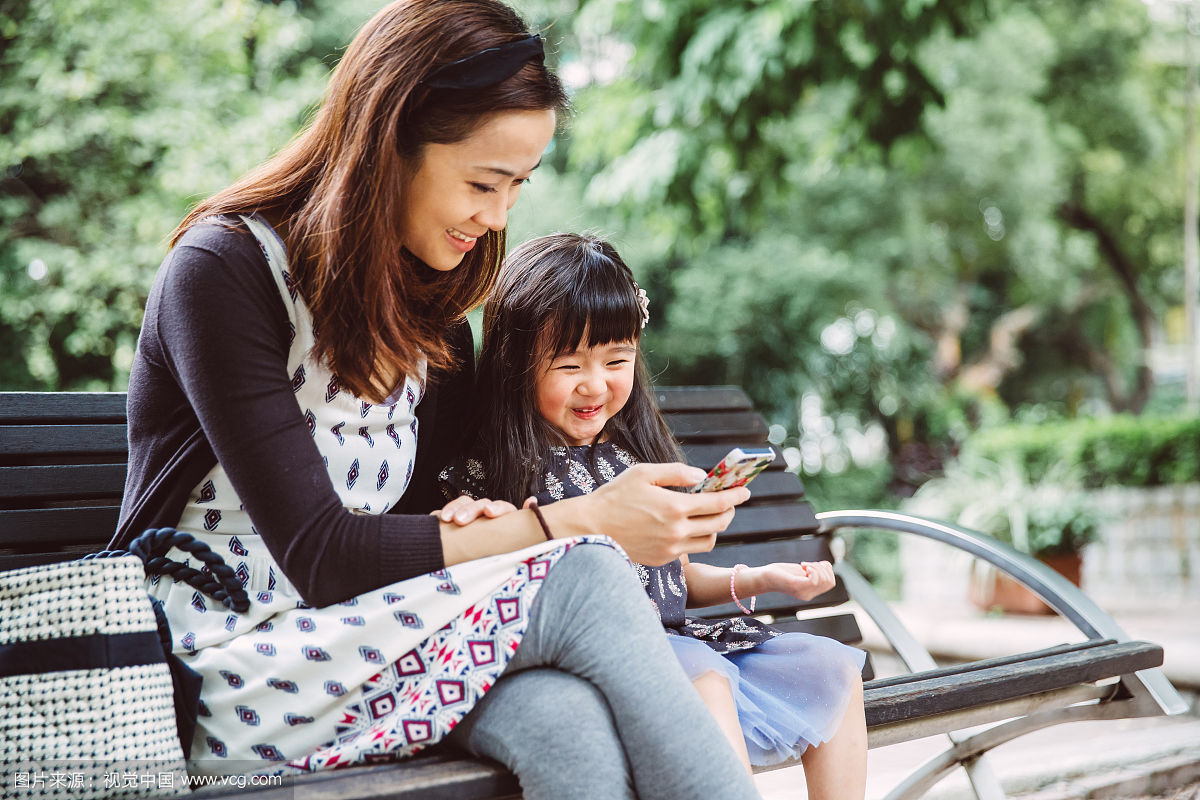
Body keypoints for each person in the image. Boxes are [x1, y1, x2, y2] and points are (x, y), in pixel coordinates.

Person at [112, 2, 764, 798]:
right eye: (484, 182)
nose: (497, 216)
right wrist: (582, 521)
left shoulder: (434, 325)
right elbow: (320, 555)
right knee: (587, 573)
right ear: (389, 144)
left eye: (518, 186)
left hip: (364, 641)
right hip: (223, 658)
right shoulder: (224, 273)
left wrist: (474, 518)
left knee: (563, 719)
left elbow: (424, 525)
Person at [440, 232, 868, 800]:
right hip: (606, 661)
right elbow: (467, 560)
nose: (597, 385)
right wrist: (472, 518)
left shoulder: (631, 459)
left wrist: (762, 580)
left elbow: (677, 578)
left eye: (617, 360)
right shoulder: (495, 473)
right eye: (569, 365)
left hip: (682, 639)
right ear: (515, 364)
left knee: (831, 668)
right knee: (706, 681)